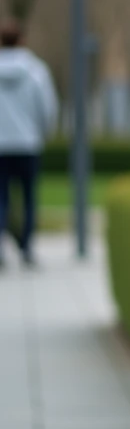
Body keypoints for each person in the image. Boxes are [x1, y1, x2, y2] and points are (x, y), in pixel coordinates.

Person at [0, 20, 58, 269]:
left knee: (1, 199)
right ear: (22, 40)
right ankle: (26, 249)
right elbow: (47, 107)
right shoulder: (36, 70)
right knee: (28, 198)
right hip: (28, 144)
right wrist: (45, 132)